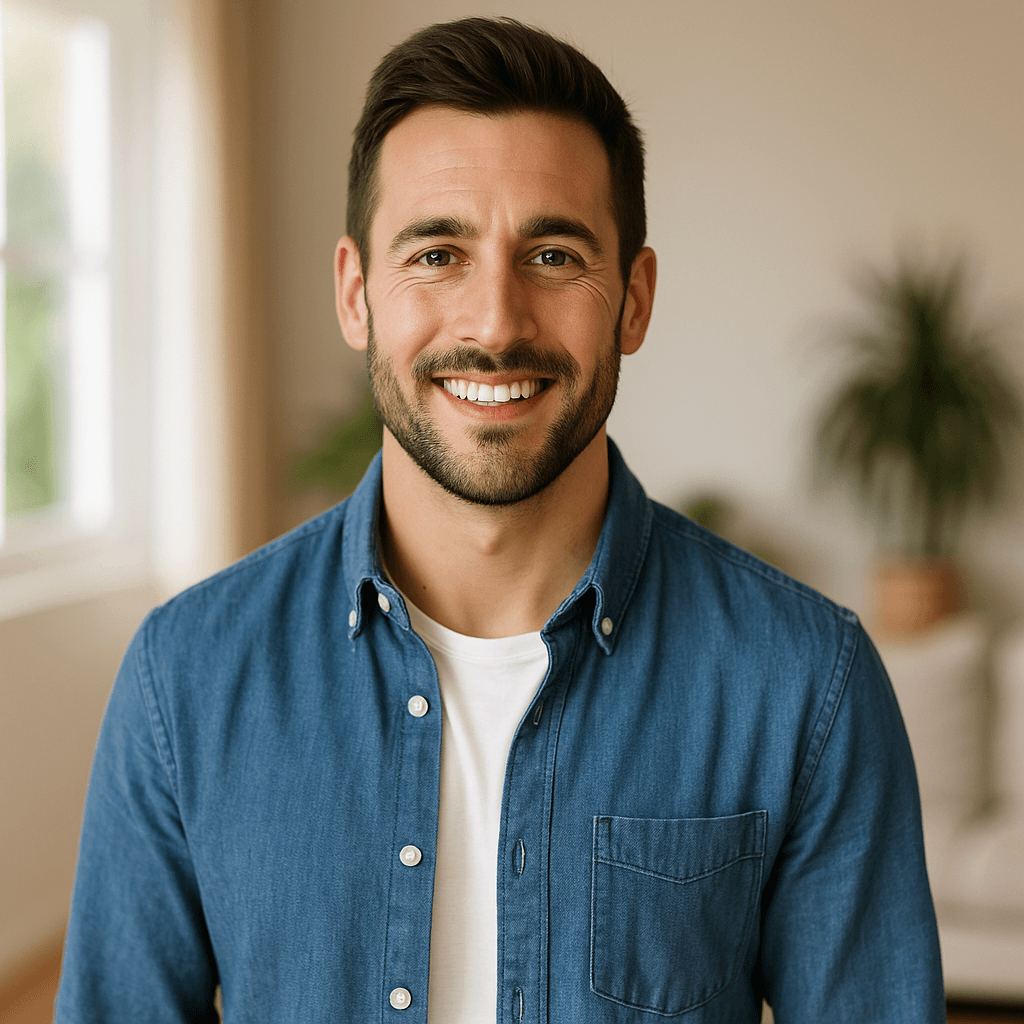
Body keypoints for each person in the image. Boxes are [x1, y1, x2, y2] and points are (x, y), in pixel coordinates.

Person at [56, 17, 944, 1023]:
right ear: (356, 294)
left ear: (634, 300)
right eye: (438, 253)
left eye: (553, 255)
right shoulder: (184, 678)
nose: (495, 323)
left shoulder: (806, 682)